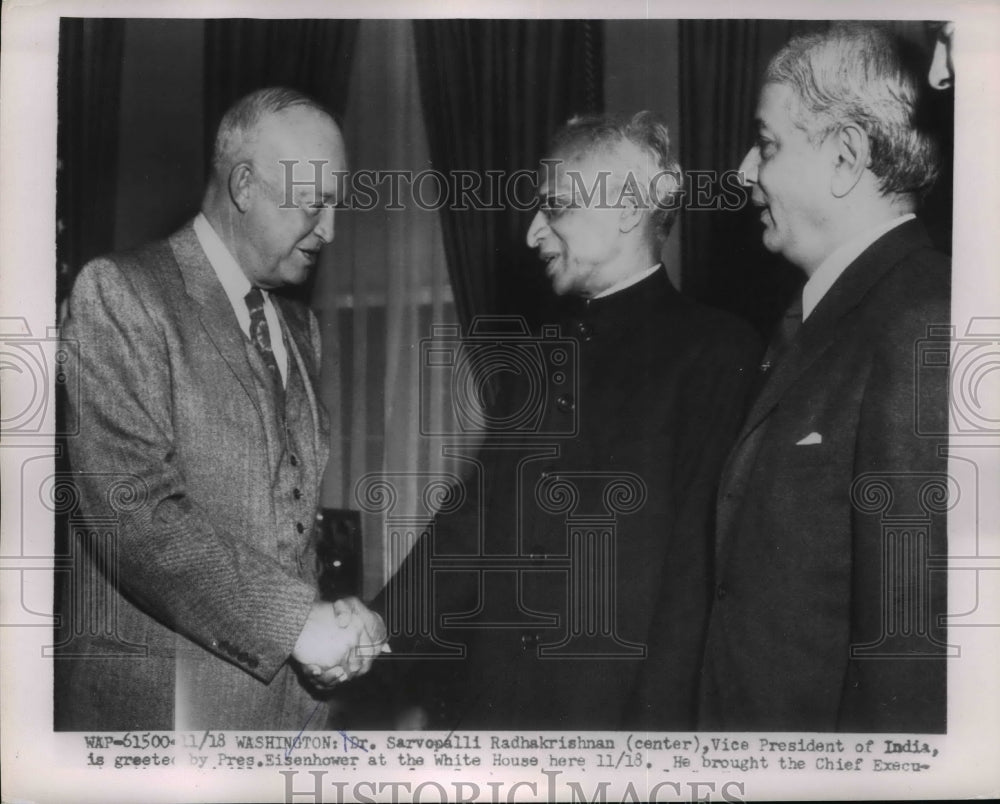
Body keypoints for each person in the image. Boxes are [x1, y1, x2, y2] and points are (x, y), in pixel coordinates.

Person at [362, 112, 761, 730]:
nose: (532, 235)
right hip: (490, 720)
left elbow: (693, 587)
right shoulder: (538, 359)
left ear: (628, 210)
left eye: (554, 208)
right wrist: (374, 631)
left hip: (616, 731)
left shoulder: (718, 354)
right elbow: (470, 530)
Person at [56, 87, 385, 731]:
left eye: (336, 206)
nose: (330, 230)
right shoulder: (121, 293)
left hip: (287, 717)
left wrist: (334, 621)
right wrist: (296, 623)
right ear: (244, 185)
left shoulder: (300, 327)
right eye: (315, 204)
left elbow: (283, 523)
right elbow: (135, 515)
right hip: (159, 719)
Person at [699, 24, 949, 733]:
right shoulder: (822, 320)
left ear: (845, 157)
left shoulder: (924, 319)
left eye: (768, 143)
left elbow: (911, 657)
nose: (746, 170)